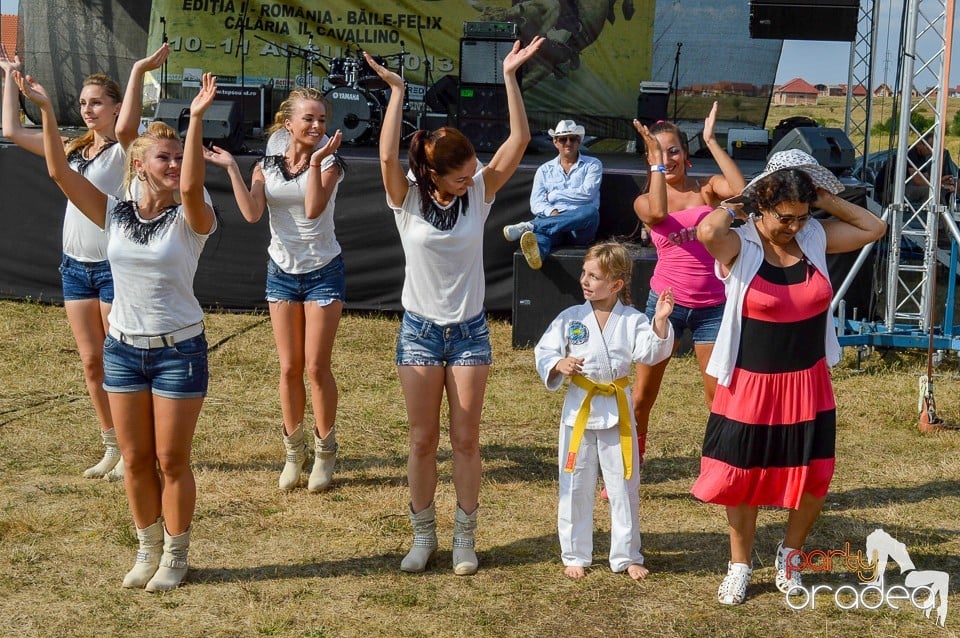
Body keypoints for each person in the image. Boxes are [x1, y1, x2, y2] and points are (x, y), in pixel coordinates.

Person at [15, 70, 219, 591]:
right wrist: (41, 106)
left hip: (180, 353)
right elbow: (61, 173)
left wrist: (194, 120)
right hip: (124, 352)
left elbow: (193, 183)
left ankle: (176, 553)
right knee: (134, 460)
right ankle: (147, 547)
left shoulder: (193, 217)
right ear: (138, 164)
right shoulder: (115, 213)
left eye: (177, 157)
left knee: (172, 460)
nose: (173, 166)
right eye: (163, 158)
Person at [364, 35, 545, 575]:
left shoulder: (481, 191)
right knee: (422, 442)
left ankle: (465, 538)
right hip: (419, 333)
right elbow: (385, 155)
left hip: (469, 332)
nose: (472, 181)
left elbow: (519, 138)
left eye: (474, 173)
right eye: (461, 176)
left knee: (466, 439)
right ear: (434, 175)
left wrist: (510, 76)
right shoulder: (407, 198)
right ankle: (423, 537)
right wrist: (396, 93)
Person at [691, 149, 887, 605]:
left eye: (802, 216)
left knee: (813, 475)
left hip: (807, 380)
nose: (795, 226)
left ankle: (790, 555)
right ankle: (739, 564)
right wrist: (743, 200)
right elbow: (706, 230)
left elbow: (873, 228)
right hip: (750, 382)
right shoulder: (742, 241)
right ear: (764, 204)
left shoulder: (815, 235)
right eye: (786, 216)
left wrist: (824, 200)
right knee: (741, 477)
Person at [0, 45, 170, 480]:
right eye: (82, 103)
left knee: (121, 362)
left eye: (97, 102)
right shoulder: (74, 150)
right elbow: (13, 130)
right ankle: (112, 444)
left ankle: (139, 447)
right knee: (92, 362)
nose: (88, 110)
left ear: (114, 107)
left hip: (113, 269)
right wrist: (10, 77)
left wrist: (135, 71)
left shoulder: (125, 151)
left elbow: (130, 125)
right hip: (75, 268)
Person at [204, 89, 345, 492]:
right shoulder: (266, 163)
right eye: (309, 119)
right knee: (288, 368)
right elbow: (251, 213)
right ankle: (292, 452)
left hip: (323, 271)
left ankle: (325, 453)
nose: (317, 126)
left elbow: (315, 208)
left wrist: (317, 160)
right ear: (289, 125)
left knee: (316, 368)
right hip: (281, 271)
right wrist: (232, 167)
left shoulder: (330, 162)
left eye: (322, 119)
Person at [533, 241, 673, 580]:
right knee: (575, 481)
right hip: (580, 407)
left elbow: (650, 353)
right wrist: (558, 363)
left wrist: (659, 322)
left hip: (617, 409)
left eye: (594, 276)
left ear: (616, 284)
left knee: (624, 483)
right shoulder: (571, 318)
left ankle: (627, 555)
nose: (585, 280)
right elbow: (544, 350)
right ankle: (575, 553)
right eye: (584, 273)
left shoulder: (633, 320)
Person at [629, 103, 745, 471]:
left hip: (714, 306)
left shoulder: (707, 190)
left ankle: (718, 469)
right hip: (666, 305)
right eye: (660, 151)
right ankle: (630, 465)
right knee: (642, 397)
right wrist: (656, 165)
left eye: (674, 149)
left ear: (686, 153)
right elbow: (660, 214)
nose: (669, 158)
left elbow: (743, 195)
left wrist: (711, 141)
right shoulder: (644, 200)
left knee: (719, 396)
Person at [502, 119, 603, 269]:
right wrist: (552, 212)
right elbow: (536, 203)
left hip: (579, 228)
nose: (568, 143)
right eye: (563, 139)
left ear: (579, 141)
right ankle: (537, 256)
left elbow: (587, 194)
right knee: (539, 238)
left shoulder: (593, 164)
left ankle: (531, 225)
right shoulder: (543, 170)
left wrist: (554, 195)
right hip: (552, 220)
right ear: (555, 142)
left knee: (590, 212)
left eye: (572, 139)